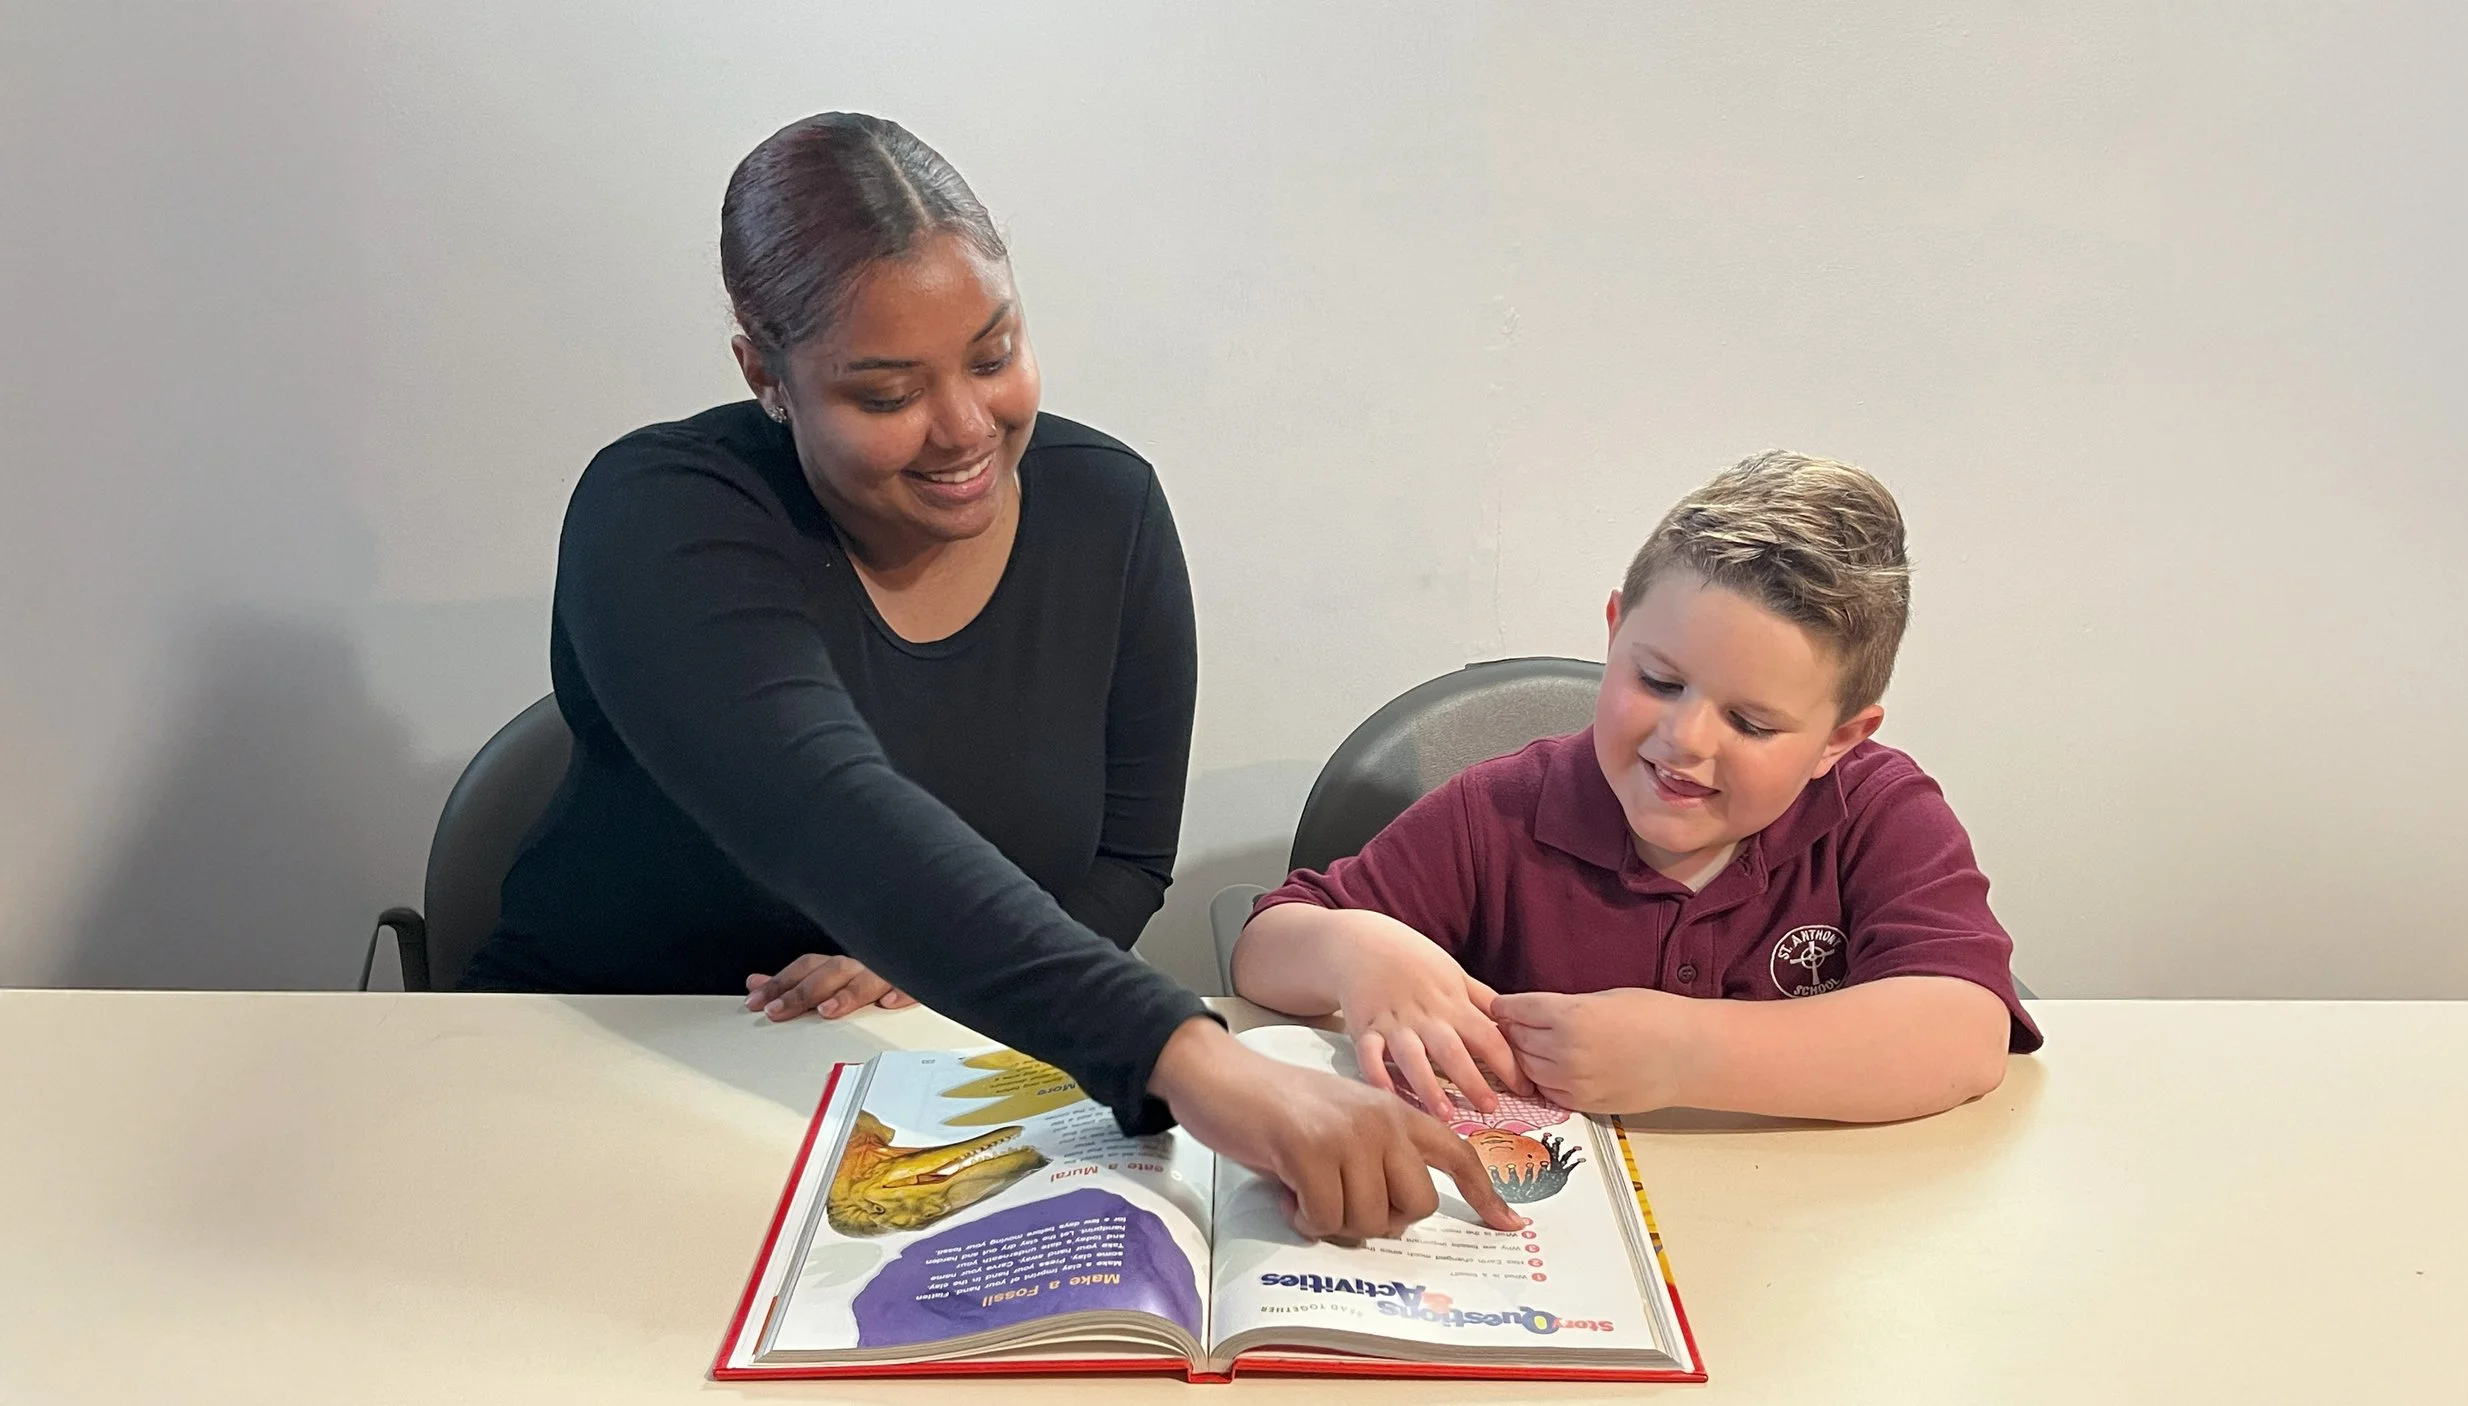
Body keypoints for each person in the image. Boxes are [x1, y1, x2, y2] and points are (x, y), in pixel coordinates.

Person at [459, 111, 1516, 1240]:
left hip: (917, 1096)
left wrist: (928, 959)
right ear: (764, 373)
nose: (965, 428)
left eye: (994, 353)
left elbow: (1124, 857)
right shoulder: (660, 514)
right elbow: (822, 810)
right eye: (884, 394)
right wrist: (1198, 1064)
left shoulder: (1107, 507)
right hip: (592, 1072)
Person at [1231, 451, 2043, 1124]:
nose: (1684, 740)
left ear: (1839, 739)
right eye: (1658, 680)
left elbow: (1962, 1032)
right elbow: (1265, 950)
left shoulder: (1876, 812)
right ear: (1615, 629)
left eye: (1752, 725)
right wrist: (1354, 951)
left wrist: (1686, 1054)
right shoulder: (1500, 812)